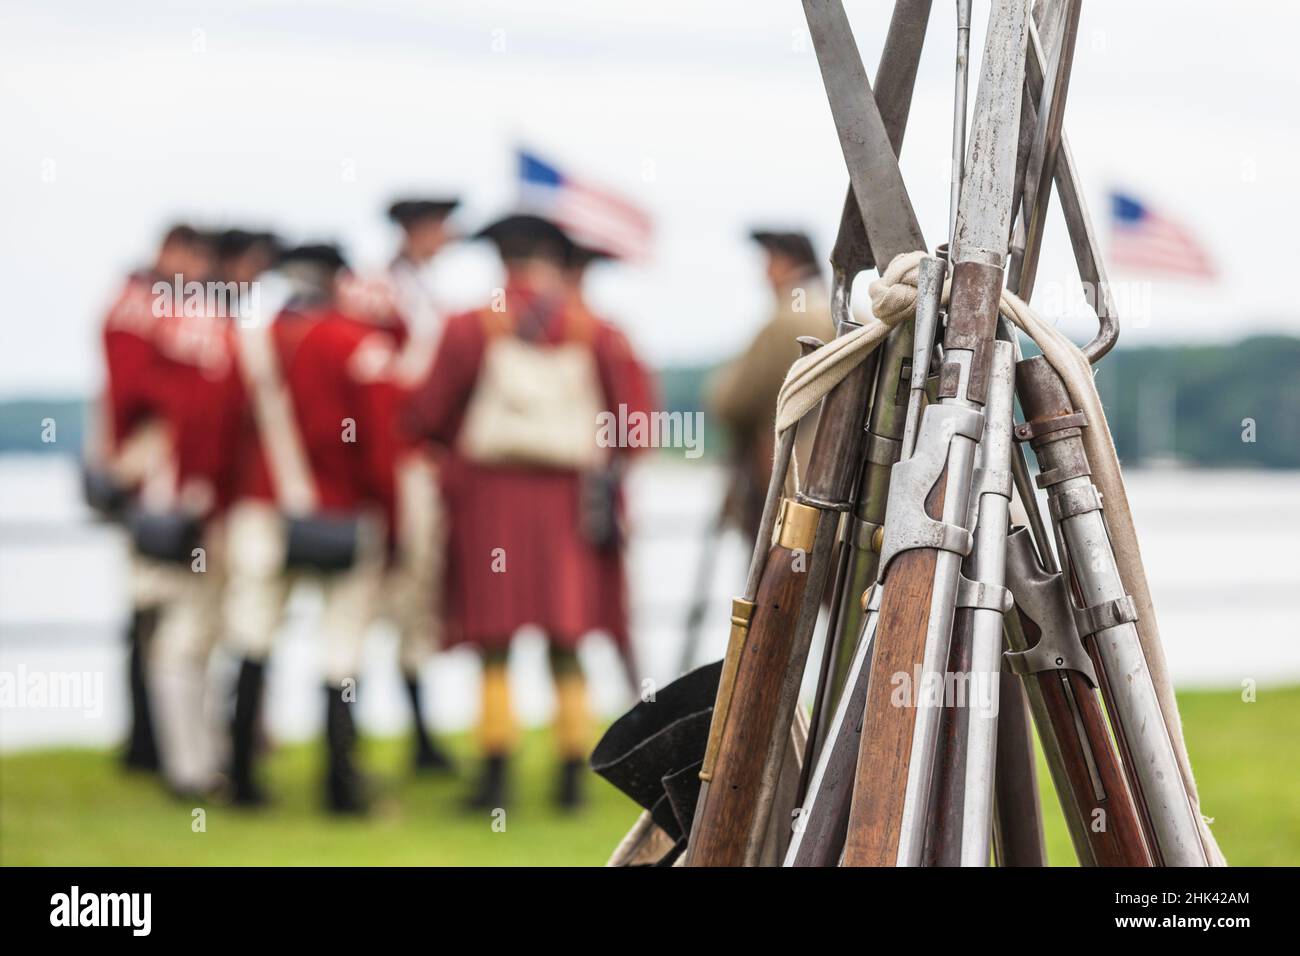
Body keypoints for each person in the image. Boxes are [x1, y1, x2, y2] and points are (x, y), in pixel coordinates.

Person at [406, 214, 653, 812]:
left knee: (493, 639)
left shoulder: (469, 325)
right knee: (566, 639)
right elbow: (636, 423)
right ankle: (572, 776)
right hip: (569, 502)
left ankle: (495, 777)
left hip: (490, 501)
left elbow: (426, 416)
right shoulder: (597, 330)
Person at [224, 243, 398, 813]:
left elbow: (216, 429)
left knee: (251, 638)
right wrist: (391, 522)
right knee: (342, 649)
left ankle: (242, 779)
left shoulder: (246, 343)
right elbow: (379, 446)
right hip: (342, 511)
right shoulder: (357, 343)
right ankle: (339, 787)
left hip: (259, 509)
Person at [89, 224, 214, 774]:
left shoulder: (164, 306)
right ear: (170, 252)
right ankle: (146, 744)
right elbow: (139, 393)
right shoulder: (139, 306)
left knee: (154, 613)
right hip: (151, 479)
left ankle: (154, 742)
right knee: (149, 610)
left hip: (158, 478)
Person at [368, 197, 460, 773]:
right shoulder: (386, 293)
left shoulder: (420, 290)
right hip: (403, 466)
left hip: (417, 464)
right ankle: (416, 736)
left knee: (416, 602)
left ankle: (421, 736)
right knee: (399, 596)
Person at [706, 229, 835, 541]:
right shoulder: (845, 313)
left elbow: (731, 403)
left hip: (787, 491)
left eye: (769, 262)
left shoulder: (786, 322)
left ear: (785, 263)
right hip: (836, 487)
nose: (764, 274)